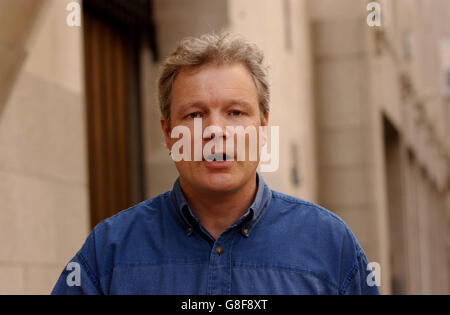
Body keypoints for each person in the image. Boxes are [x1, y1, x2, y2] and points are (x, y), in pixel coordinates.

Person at [52, 32, 379, 295]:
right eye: (194, 115)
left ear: (262, 127)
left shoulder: (329, 245)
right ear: (168, 133)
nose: (215, 132)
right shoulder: (110, 252)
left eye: (236, 113)